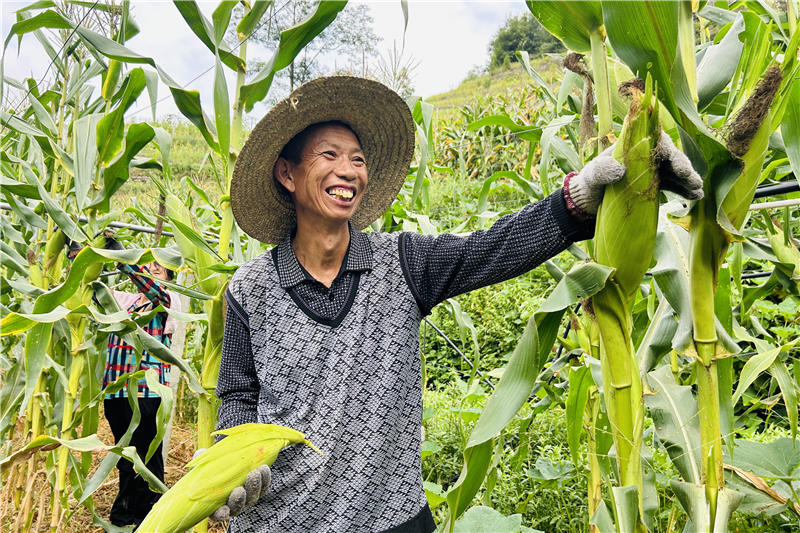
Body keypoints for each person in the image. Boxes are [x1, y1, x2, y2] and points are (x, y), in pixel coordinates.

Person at [215, 76, 703, 532]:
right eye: (329, 155)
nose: (348, 171)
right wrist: (234, 465)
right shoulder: (248, 290)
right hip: (283, 522)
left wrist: (582, 195)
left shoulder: (401, 264)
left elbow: (491, 250)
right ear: (287, 173)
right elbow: (237, 398)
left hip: (395, 520)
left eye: (359, 159)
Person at [102, 252, 181, 528]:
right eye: (150, 267)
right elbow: (98, 292)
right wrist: (86, 256)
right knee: (126, 456)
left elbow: (151, 286)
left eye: (158, 271)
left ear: (169, 280)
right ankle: (125, 516)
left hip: (147, 393)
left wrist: (123, 257)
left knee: (148, 456)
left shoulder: (168, 301)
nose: (151, 272)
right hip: (116, 392)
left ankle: (153, 516)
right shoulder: (130, 302)